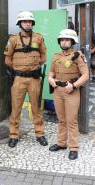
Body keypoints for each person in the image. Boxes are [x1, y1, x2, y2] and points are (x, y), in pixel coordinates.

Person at [4, 11, 48, 148]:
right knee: (15, 108)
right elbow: (7, 60)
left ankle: (40, 134)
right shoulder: (13, 39)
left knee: (36, 108)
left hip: (34, 79)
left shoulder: (39, 38)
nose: (27, 23)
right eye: (25, 21)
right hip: (18, 79)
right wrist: (19, 69)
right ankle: (13, 135)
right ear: (20, 24)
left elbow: (43, 57)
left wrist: (33, 67)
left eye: (29, 21)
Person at [48, 29, 89, 160]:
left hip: (71, 91)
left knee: (71, 120)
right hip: (58, 91)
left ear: (72, 41)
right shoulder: (56, 56)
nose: (64, 42)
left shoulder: (78, 56)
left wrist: (74, 85)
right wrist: (50, 79)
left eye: (67, 39)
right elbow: (51, 73)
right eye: (62, 39)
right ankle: (61, 143)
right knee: (61, 119)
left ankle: (74, 147)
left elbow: (86, 75)